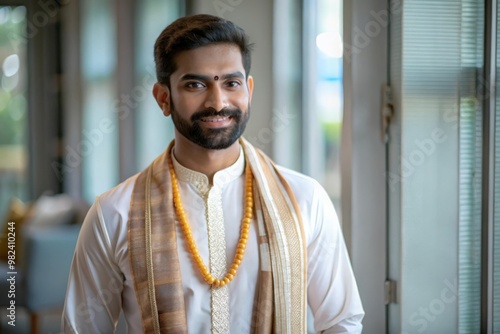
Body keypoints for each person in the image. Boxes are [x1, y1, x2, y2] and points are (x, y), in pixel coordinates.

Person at [61, 14, 364, 334]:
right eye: (195, 84)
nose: (217, 102)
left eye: (231, 83)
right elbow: (83, 329)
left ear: (248, 89)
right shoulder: (114, 214)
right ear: (163, 98)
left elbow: (341, 321)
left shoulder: (305, 199)